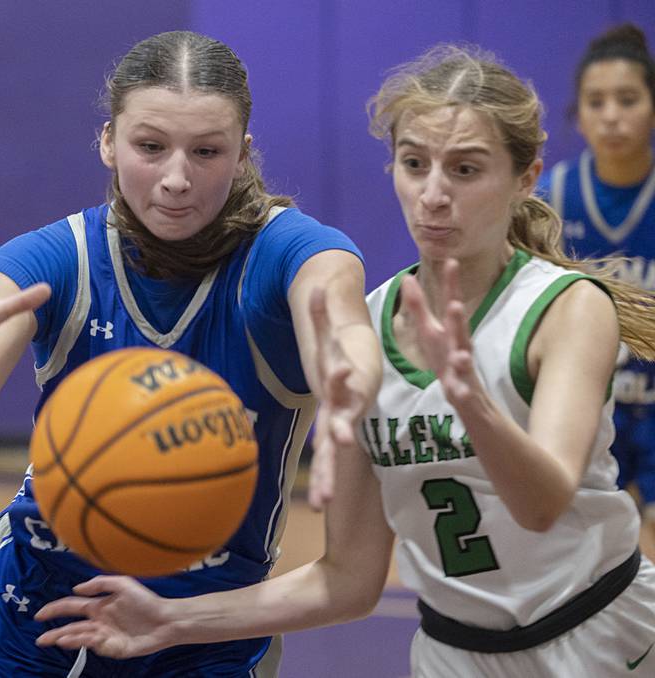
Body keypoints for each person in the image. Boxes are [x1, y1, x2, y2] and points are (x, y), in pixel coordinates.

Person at [34, 45, 655, 677]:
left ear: (527, 178)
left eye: (466, 170)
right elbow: (349, 581)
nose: (434, 195)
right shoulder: (372, 328)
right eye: (415, 164)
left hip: (600, 634)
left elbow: (542, 506)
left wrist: (470, 400)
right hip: (454, 653)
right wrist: (172, 621)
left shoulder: (568, 308)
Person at [0, 30, 382, 677]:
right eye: (150, 146)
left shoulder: (291, 254)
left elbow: (338, 318)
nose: (175, 178)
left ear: (244, 155)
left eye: (206, 151)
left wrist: (350, 382)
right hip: (37, 610)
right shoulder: (53, 260)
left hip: (210, 625)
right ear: (109, 142)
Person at [538, 23, 655, 559]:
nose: (611, 115)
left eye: (627, 100)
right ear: (578, 114)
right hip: (588, 406)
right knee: (588, 564)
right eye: (596, 101)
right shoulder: (552, 197)